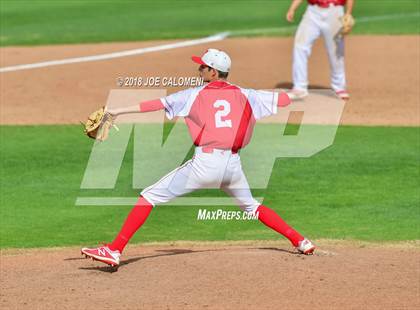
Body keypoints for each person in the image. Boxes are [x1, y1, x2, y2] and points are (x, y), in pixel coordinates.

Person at [81, 49, 315, 267]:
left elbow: (155, 105)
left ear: (213, 72)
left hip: (205, 165)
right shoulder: (247, 94)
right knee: (252, 206)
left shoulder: (193, 95)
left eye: (203, 67)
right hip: (233, 167)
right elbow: (283, 100)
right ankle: (301, 241)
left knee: (149, 196)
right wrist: (295, 93)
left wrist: (116, 111)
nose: (199, 70)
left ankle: (114, 250)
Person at [286, 0, 354, 100]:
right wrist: (292, 9)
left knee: (336, 52)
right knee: (300, 46)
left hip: (335, 12)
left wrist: (348, 13)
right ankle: (299, 87)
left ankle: (339, 87)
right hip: (313, 12)